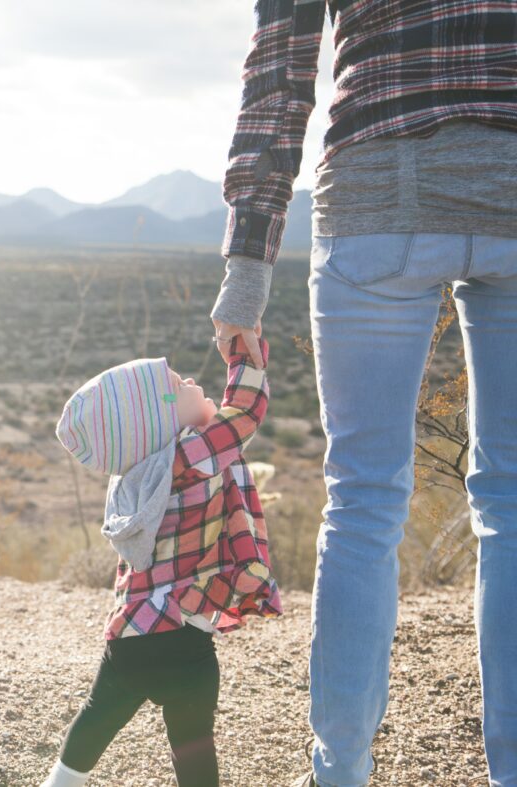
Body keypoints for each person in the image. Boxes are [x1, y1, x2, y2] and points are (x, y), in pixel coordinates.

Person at [208, 2, 517, 785]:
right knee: (515, 507)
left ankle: (338, 773)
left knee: (363, 503)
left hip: (378, 190)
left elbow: (279, 73)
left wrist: (246, 272)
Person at [43, 332, 281, 787]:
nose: (190, 379)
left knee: (97, 719)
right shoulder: (191, 454)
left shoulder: (132, 477)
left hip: (131, 636)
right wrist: (241, 352)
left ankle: (60, 783)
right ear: (159, 419)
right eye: (177, 382)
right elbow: (246, 411)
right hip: (185, 641)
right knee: (192, 741)